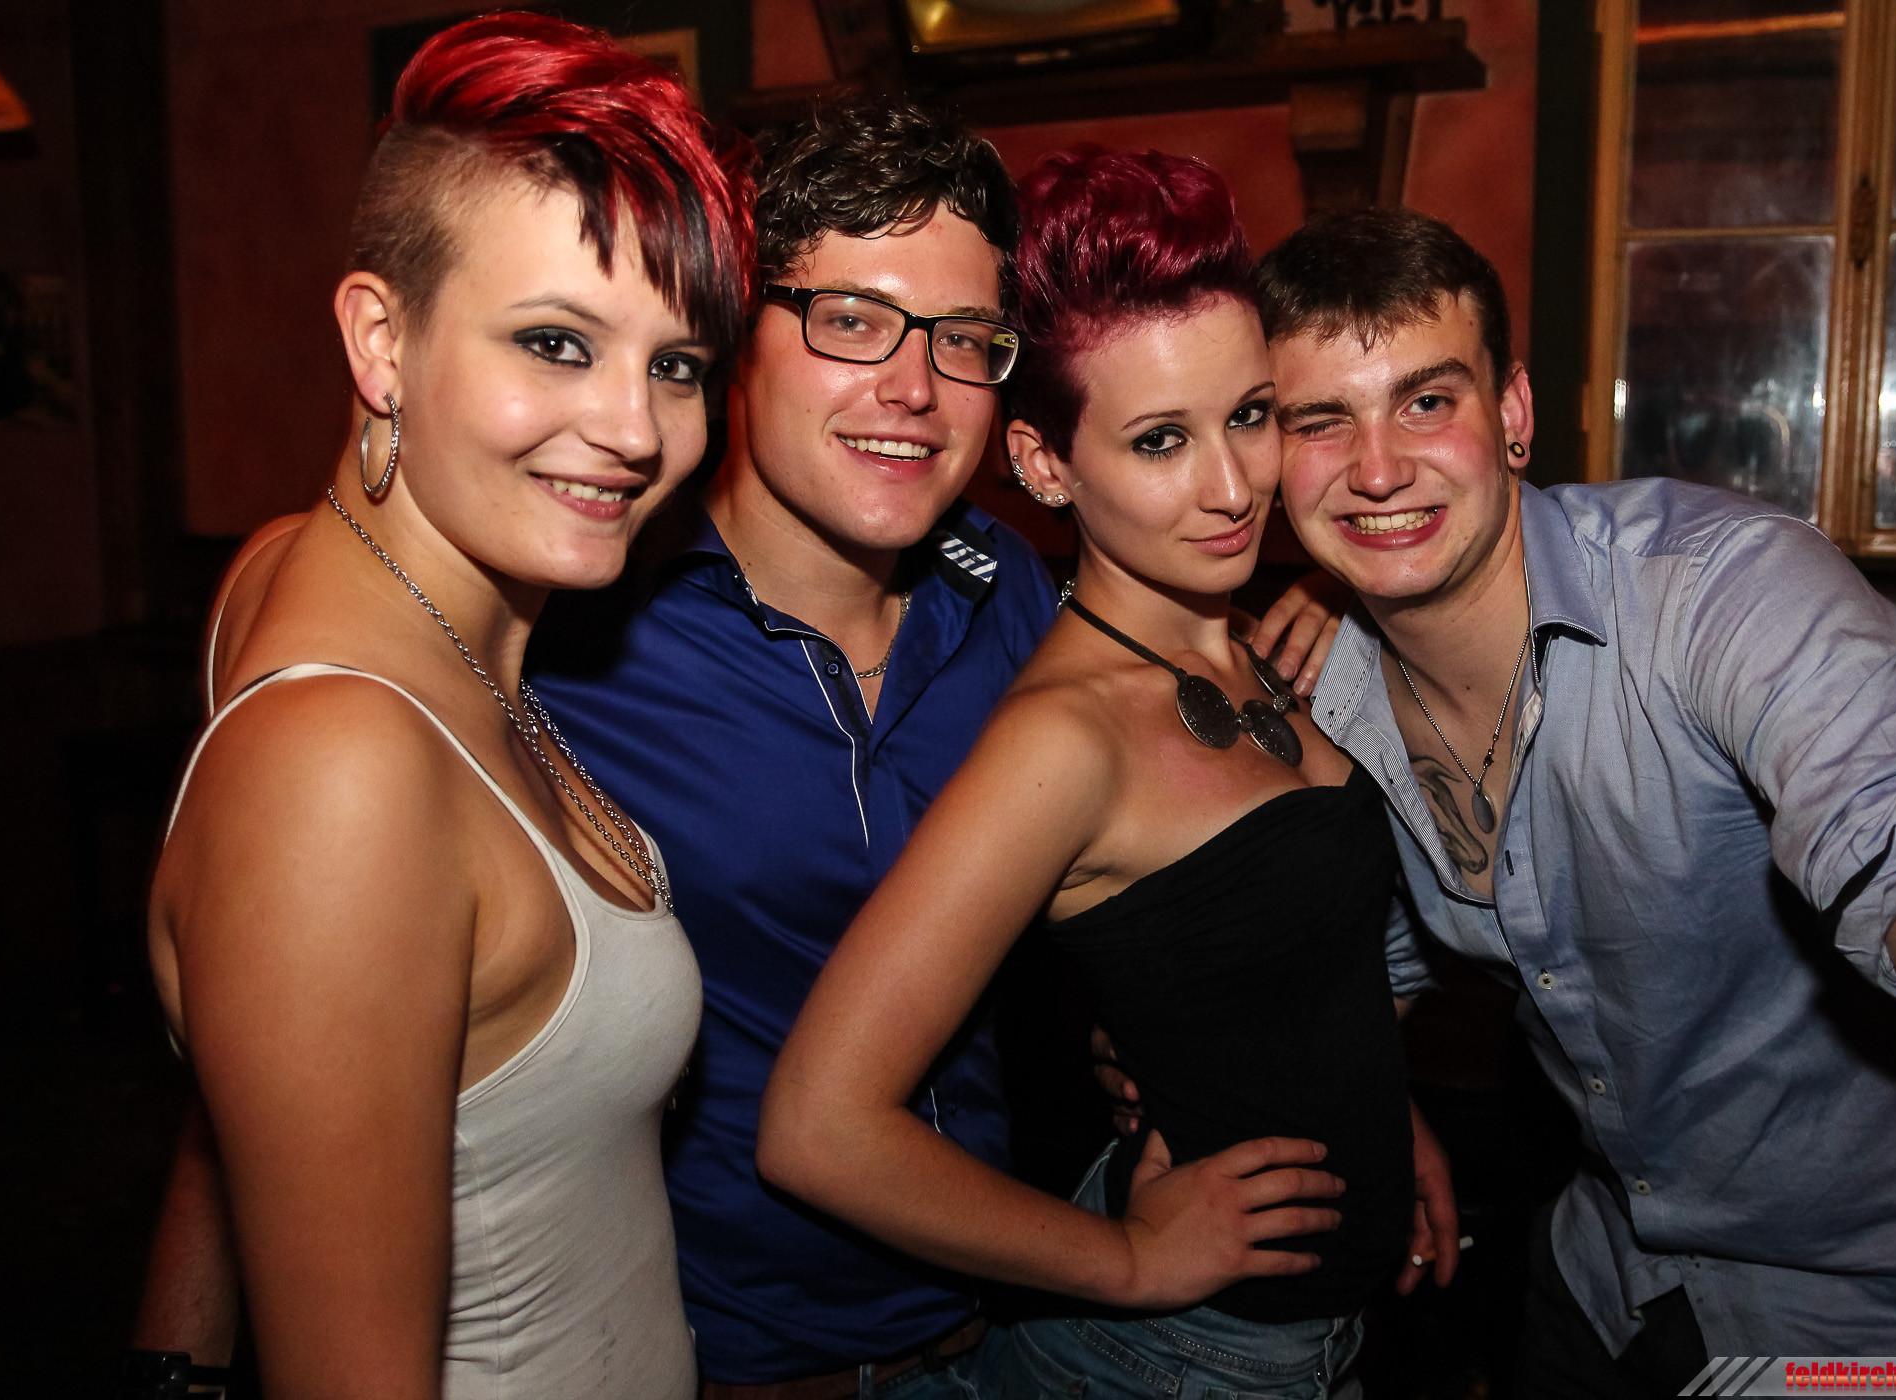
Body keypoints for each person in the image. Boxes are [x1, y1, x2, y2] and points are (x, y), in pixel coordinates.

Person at [526, 114, 1350, 1397]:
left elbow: (1131, 828)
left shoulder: (1009, 594)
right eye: (852, 319)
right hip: (720, 1362)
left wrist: (1347, 598)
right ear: (735, 329)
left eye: (963, 339)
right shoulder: (581, 630)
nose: (914, 387)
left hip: (996, 1332)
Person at [1255, 206, 1896, 1387]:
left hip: (1867, 1320)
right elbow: (1355, 976)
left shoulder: (1719, 593)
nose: (1378, 466)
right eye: (1320, 421)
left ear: (1513, 414)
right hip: (1603, 1276)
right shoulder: (1326, 691)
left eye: (1427, 399)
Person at [136, 14, 755, 1398]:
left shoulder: (291, 572)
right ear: (381, 338)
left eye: (676, 363)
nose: (636, 429)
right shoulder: (339, 766)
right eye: (555, 341)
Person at [759, 146, 1408, 1400]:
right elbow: (818, 1126)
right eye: (1161, 440)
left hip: (1319, 1331)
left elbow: (1283, 974)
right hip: (1185, 1359)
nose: (1234, 486)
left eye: (1251, 415)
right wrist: (1125, 1258)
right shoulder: (1062, 737)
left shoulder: (1250, 641)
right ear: (1047, 464)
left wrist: (1387, 1124)